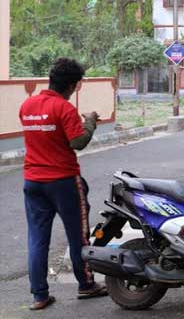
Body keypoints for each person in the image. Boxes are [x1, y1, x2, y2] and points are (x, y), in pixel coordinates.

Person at [20, 58, 107, 311]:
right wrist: (90, 121)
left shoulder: (27, 105)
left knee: (37, 239)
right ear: (74, 84)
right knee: (78, 235)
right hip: (63, 182)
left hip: (33, 181)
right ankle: (87, 285)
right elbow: (77, 142)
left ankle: (39, 295)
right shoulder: (64, 108)